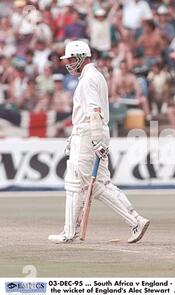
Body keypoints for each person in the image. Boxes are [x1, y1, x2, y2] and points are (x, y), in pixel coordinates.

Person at [48, 40, 150, 244]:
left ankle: (69, 232)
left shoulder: (88, 79)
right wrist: (98, 139)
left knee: (76, 183)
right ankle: (135, 220)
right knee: (100, 184)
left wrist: (95, 140)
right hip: (93, 133)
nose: (67, 63)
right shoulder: (95, 76)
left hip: (88, 134)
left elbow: (94, 111)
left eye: (70, 59)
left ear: (80, 57)